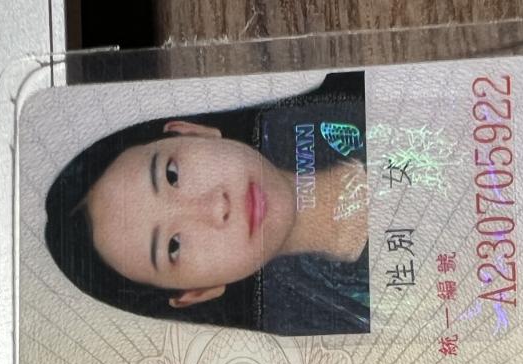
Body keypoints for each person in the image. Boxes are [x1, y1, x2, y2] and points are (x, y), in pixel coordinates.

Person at [43, 72, 370, 336]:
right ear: (200, 291)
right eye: (173, 246)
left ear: (194, 132)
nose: (216, 207)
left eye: (172, 175)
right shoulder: (342, 331)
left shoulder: (356, 84)